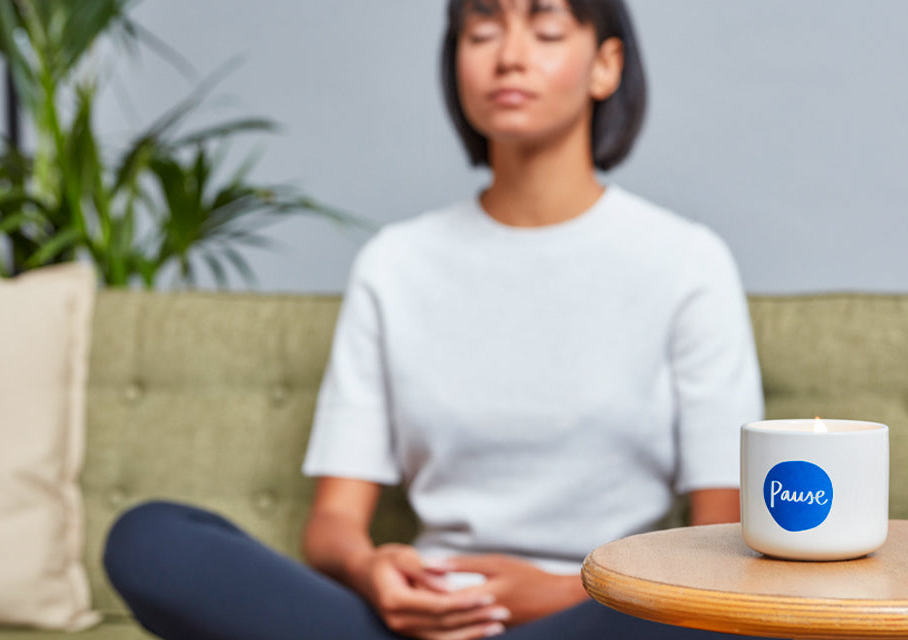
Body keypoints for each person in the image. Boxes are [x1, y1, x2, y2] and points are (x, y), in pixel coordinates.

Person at [103, 1, 771, 639]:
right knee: (152, 540)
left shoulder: (685, 261)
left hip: (597, 614)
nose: (508, 56)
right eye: (481, 32)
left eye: (544, 29)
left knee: (748, 612)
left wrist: (570, 592)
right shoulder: (394, 264)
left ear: (606, 65)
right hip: (427, 619)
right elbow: (333, 523)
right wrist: (372, 573)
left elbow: (711, 544)